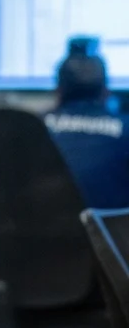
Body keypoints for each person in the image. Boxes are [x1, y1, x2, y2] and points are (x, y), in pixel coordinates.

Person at [44, 41, 129, 209]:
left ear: (58, 91)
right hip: (105, 233)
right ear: (106, 92)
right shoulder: (125, 130)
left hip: (41, 232)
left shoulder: (34, 125)